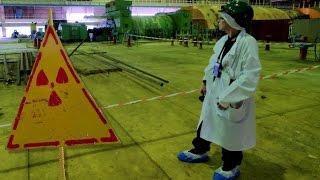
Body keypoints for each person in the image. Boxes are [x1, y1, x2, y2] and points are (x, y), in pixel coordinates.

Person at [177, 0, 261, 179]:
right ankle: (200, 150)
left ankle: (231, 166)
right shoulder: (223, 40)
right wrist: (205, 81)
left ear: (233, 21)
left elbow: (250, 75)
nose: (219, 20)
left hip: (232, 94)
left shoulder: (248, 43)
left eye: (222, 18)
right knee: (206, 120)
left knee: (231, 131)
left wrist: (228, 97)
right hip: (215, 89)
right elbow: (213, 64)